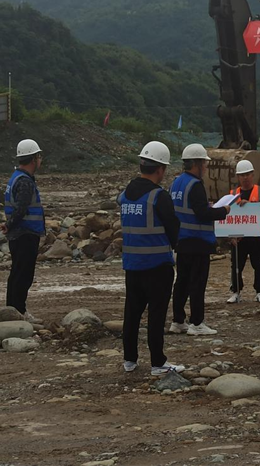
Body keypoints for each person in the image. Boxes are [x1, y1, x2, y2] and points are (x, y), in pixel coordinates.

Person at [119, 141, 184, 375]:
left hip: (132, 266)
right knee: (156, 316)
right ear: (160, 169)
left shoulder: (125, 195)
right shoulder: (159, 196)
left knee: (132, 314)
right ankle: (158, 363)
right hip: (158, 266)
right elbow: (173, 229)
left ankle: (130, 360)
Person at [169, 144, 230, 336]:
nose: (206, 167)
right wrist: (223, 211)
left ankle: (178, 320)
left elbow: (188, 208)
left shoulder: (176, 183)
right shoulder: (195, 185)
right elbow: (202, 214)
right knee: (197, 283)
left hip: (182, 241)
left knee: (182, 282)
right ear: (196, 164)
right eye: (204, 163)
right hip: (198, 241)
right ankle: (196, 322)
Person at [2, 139, 45, 322]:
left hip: (19, 234)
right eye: (39, 156)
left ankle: (11, 310)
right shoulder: (25, 182)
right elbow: (21, 208)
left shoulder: (16, 177)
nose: (40, 159)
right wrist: (10, 224)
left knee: (16, 273)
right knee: (23, 275)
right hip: (25, 234)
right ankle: (19, 311)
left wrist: (9, 225)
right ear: (33, 159)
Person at [227, 159, 260, 304]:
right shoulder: (233, 194)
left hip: (256, 235)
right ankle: (236, 292)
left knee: (259, 265)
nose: (245, 177)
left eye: (247, 174)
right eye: (242, 175)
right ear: (238, 177)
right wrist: (231, 235)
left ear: (253, 174)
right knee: (236, 265)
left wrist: (251, 206)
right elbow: (228, 215)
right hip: (239, 237)